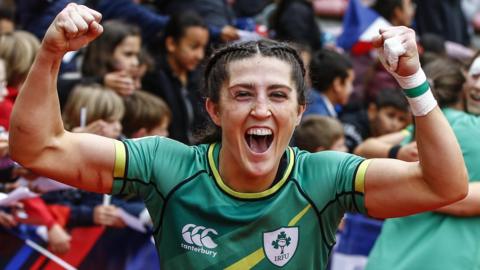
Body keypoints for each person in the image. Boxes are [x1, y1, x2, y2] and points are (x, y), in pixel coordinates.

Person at [9, 4, 468, 269]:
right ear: (214, 108)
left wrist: (413, 81)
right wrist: (50, 53)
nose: (262, 109)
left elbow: (443, 185)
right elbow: (39, 148)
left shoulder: (326, 176)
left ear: (299, 110)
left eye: (278, 95)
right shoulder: (168, 167)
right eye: (243, 94)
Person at [366, 58, 480, 270]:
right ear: (463, 81)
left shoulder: (433, 123)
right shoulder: (444, 123)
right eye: (475, 75)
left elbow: (364, 149)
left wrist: (405, 179)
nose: (478, 85)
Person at [142, 10, 209, 144]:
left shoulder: (198, 77)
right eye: (194, 47)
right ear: (171, 44)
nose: (200, 55)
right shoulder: (152, 77)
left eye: (203, 48)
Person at [341, 88, 411, 153]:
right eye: (390, 115)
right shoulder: (352, 129)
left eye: (401, 119)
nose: (395, 124)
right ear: (373, 111)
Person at [304, 48, 354, 117]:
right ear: (337, 84)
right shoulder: (320, 117)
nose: (352, 89)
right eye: (350, 82)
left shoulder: (309, 101)